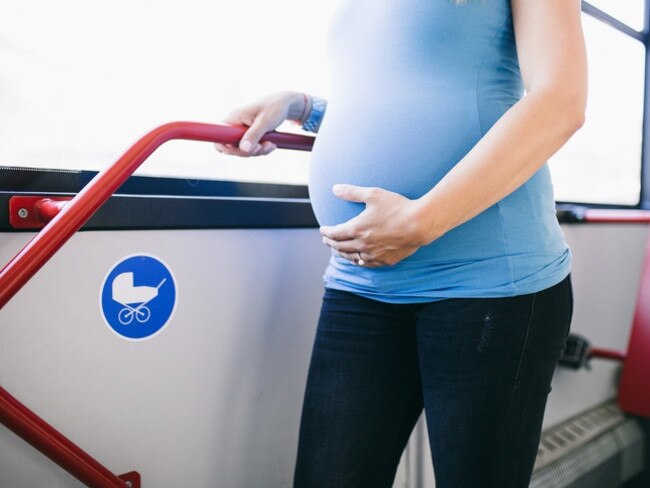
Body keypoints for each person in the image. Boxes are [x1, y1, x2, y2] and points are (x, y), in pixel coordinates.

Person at [215, 0, 587, 486]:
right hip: (360, 284)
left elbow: (560, 101)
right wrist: (300, 106)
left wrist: (423, 221)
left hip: (491, 286)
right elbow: (406, 92)